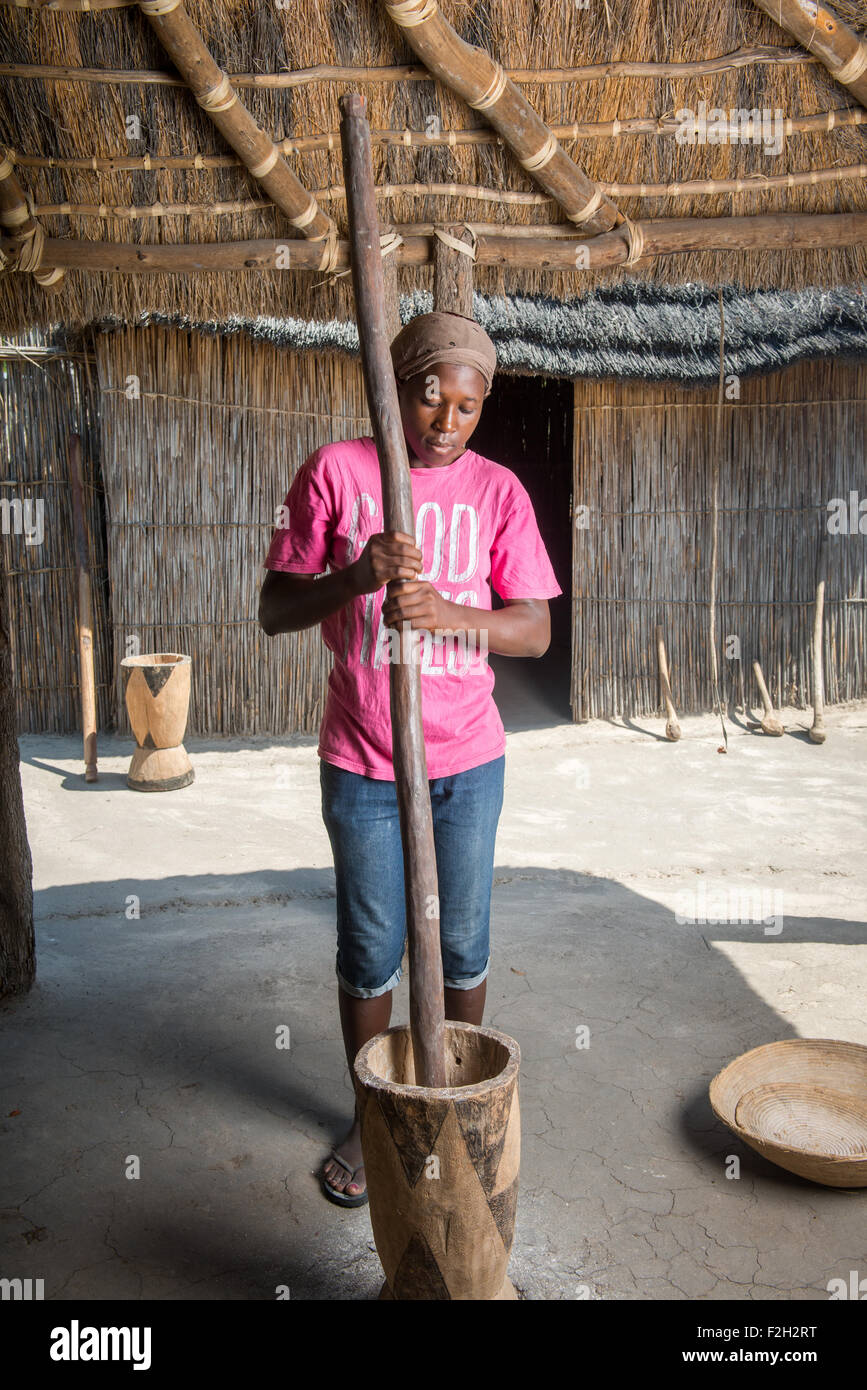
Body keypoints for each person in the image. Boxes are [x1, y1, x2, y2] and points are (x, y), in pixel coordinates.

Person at [258, 311, 561, 1205]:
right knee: (370, 947)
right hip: (361, 760)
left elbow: (535, 630)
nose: (446, 420)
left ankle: (452, 1096)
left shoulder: (497, 490)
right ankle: (368, 1110)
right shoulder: (337, 472)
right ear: (395, 390)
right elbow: (274, 611)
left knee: (461, 941)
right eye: (430, 396)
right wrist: (357, 576)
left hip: (465, 760)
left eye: (467, 406)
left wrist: (452, 615)